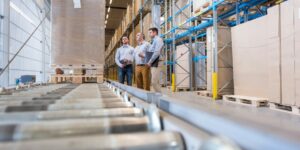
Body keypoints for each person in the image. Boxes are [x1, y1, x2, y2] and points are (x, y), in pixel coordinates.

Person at [146, 27, 164, 92]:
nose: (149, 34)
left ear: (155, 32)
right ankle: (157, 96)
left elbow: (157, 52)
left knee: (153, 82)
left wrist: (150, 61)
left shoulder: (158, 40)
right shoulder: (153, 41)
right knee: (155, 81)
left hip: (157, 61)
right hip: (154, 62)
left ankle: (160, 97)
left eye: (150, 32)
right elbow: (151, 51)